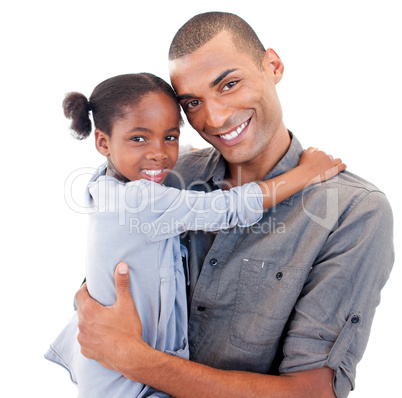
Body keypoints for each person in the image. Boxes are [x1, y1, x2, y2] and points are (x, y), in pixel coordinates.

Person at [74, 12, 394, 398]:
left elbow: (311, 393)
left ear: (272, 66)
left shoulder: (353, 212)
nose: (215, 117)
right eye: (193, 102)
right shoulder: (170, 175)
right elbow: (103, 296)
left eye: (229, 84)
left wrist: (135, 358)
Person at [45, 72, 344, 397]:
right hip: (130, 386)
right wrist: (307, 172)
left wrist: (188, 148)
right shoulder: (138, 199)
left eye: (169, 137)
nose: (159, 153)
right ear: (103, 142)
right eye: (139, 139)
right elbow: (227, 208)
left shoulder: (108, 182)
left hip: (125, 374)